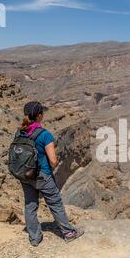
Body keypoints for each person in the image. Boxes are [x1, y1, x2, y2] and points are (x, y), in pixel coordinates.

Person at [19, 101, 84, 247]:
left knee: (30, 205)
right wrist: (53, 164)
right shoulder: (45, 134)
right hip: (42, 175)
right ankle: (68, 232)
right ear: (39, 115)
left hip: (25, 175)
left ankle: (34, 238)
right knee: (55, 204)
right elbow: (53, 161)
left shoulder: (20, 132)